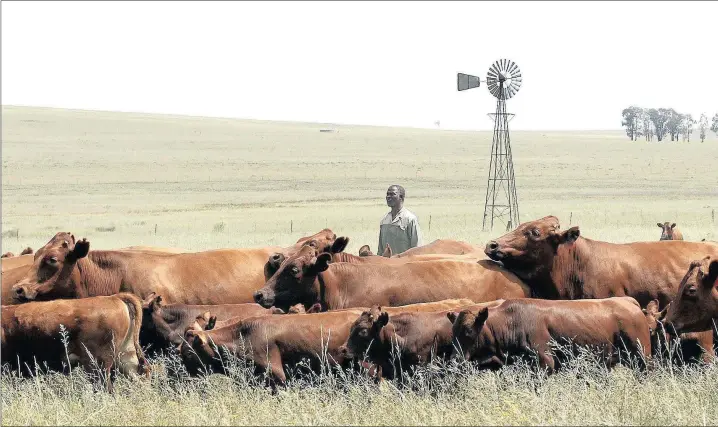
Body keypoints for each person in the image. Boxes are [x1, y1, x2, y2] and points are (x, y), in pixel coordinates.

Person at [378, 185, 423, 256]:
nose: (388, 197)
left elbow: (417, 247)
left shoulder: (410, 219)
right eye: (387, 194)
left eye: (392, 194)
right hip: (387, 264)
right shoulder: (384, 221)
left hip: (404, 264)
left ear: (401, 197)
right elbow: (380, 250)